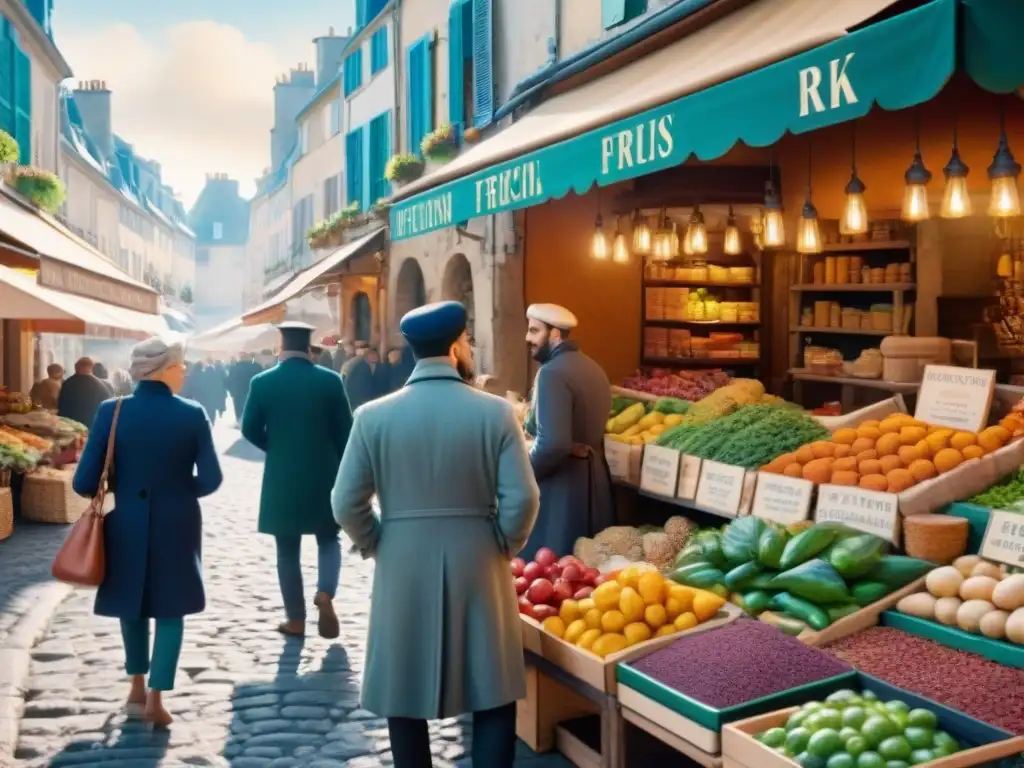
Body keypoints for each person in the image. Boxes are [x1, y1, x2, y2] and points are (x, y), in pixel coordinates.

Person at [332, 301, 539, 768]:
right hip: (479, 555)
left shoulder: (371, 417)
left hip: (402, 555)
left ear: (410, 350)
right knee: (493, 686)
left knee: (403, 686)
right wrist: (504, 542)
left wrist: (376, 540)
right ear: (457, 344)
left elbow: (345, 502)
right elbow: (523, 499)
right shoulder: (496, 413)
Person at [72, 336, 222, 727]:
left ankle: (136, 686)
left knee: (132, 603)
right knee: (171, 609)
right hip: (179, 522)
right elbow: (211, 478)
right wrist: (177, 491)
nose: (186, 371)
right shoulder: (192, 413)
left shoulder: (111, 411)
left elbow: (84, 482)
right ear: (165, 370)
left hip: (127, 521)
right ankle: (157, 698)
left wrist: (126, 485)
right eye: (181, 364)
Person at [241, 322, 353, 638]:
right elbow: (347, 432)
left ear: (280, 347)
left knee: (286, 549)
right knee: (329, 538)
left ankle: (296, 620)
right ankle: (325, 593)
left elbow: (249, 428)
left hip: (282, 476)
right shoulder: (330, 382)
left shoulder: (262, 382)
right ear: (309, 349)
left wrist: (275, 447)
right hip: (325, 473)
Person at [521, 303, 614, 561]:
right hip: (593, 484)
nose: (528, 338)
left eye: (534, 331)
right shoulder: (594, 367)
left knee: (552, 575)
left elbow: (553, 445)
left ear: (554, 334)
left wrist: (523, 474)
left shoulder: (551, 373)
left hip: (561, 491)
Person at [58, 357, 114, 428]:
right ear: (91, 367)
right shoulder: (103, 386)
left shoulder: (67, 384)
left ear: (76, 367)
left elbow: (61, 407)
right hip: (95, 427)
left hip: (72, 428)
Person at [227, 353, 262, 424]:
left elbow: (230, 380)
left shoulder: (234, 367)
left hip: (238, 392)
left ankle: (239, 420)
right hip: (253, 391)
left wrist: (231, 391)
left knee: (239, 408)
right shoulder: (257, 366)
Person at [340, 344, 377, 411]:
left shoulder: (349, 364)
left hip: (349, 401)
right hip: (359, 403)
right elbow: (367, 389)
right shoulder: (363, 367)